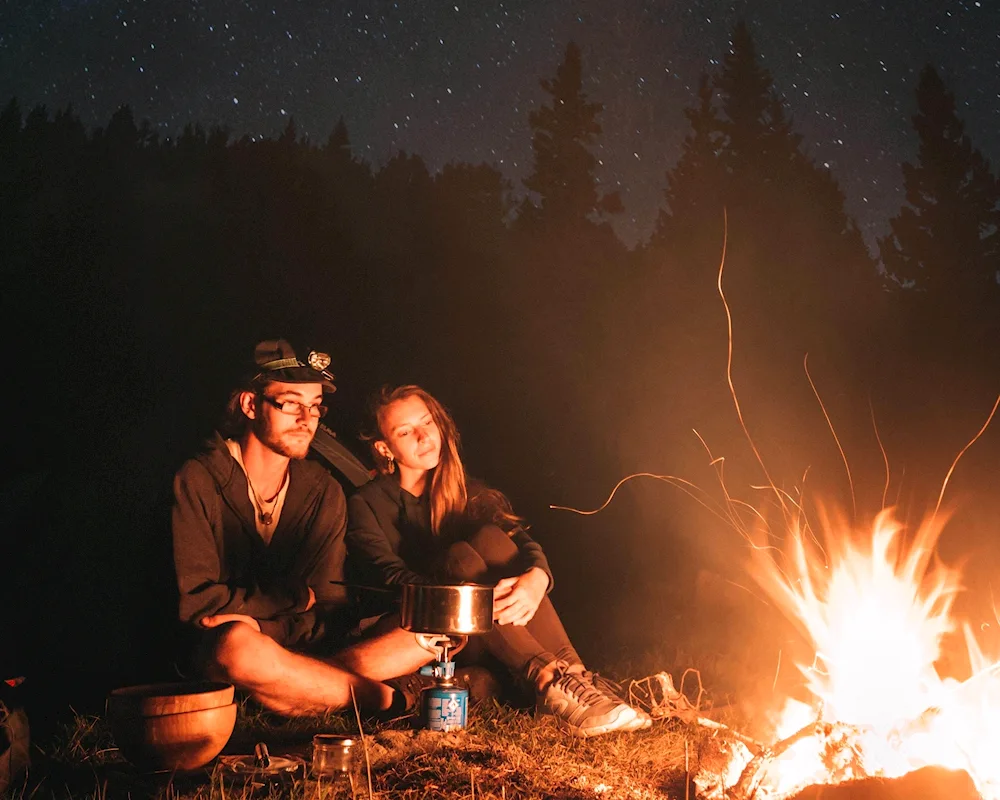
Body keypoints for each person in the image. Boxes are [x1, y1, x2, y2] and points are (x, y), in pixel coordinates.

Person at [346, 385, 652, 737]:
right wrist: (466, 599)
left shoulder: (463, 488)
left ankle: (575, 679)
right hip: (426, 634)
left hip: (490, 632)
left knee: (491, 537)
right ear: (385, 448)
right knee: (459, 558)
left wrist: (537, 578)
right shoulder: (366, 502)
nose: (423, 436)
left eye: (427, 422)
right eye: (405, 431)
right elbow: (389, 577)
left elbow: (519, 543)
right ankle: (549, 679)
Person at [171, 340, 436, 716]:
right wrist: (295, 599)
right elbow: (198, 606)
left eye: (314, 407)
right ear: (250, 405)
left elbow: (328, 604)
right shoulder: (199, 478)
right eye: (290, 403)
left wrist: (274, 628)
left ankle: (302, 689)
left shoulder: (321, 488)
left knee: (429, 632)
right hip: (231, 652)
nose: (306, 419)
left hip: (297, 647)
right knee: (238, 646)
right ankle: (385, 700)